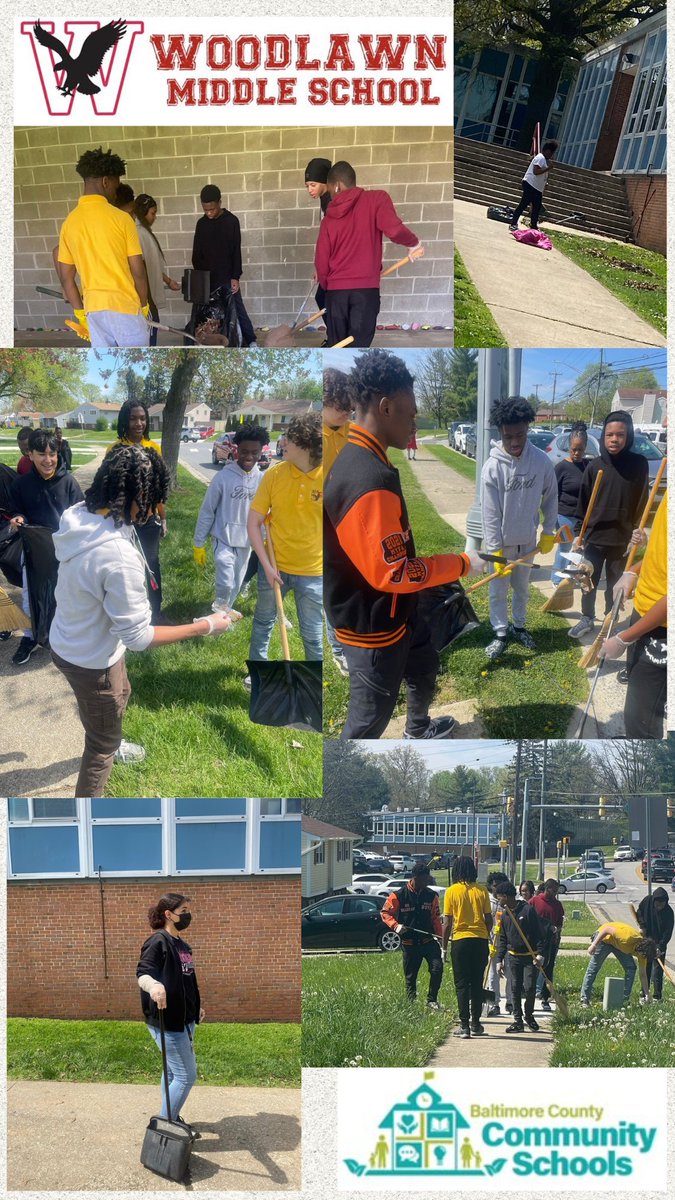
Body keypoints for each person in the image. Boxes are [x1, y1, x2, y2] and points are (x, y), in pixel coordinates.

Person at [49, 444, 234, 797]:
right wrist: (206, 625)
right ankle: (87, 813)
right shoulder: (115, 556)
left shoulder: (81, 515)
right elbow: (137, 637)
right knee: (100, 746)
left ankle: (111, 735)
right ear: (135, 495)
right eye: (151, 501)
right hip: (90, 660)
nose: (153, 511)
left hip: (70, 640)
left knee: (123, 691)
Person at [323, 349, 483, 740]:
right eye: (411, 413)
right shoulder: (368, 478)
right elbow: (394, 573)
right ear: (385, 407)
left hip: (402, 613)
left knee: (425, 667)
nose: (415, 421)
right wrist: (461, 564)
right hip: (373, 628)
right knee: (368, 722)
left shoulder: (370, 458)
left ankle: (417, 728)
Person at [315, 161, 424, 347]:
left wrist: (329, 288)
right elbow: (395, 230)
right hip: (365, 294)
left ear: (337, 185)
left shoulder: (328, 220)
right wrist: (414, 243)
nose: (331, 195)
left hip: (335, 296)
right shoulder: (377, 200)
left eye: (331, 190)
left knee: (337, 346)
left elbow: (321, 261)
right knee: (358, 348)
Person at [481, 396, 557, 660]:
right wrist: (495, 550)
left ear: (528, 429)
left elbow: (550, 498)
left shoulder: (541, 462)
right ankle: (500, 632)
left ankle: (520, 626)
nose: (514, 442)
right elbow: (490, 513)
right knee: (497, 590)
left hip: (527, 541)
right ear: (500, 433)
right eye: (508, 436)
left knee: (522, 589)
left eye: (520, 435)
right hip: (501, 545)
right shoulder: (492, 468)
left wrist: (548, 532)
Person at [246, 413, 323, 673]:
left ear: (306, 445)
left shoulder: (329, 478)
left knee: (312, 635)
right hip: (274, 567)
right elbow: (253, 523)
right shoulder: (275, 474)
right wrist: (266, 566)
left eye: (289, 438)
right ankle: (258, 674)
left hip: (314, 573)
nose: (283, 443)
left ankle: (314, 682)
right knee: (263, 622)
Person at [57, 146, 150, 347]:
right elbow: (138, 272)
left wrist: (81, 314)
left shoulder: (69, 223)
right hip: (125, 308)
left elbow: (66, 278)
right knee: (135, 360)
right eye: (115, 188)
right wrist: (143, 307)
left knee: (107, 365)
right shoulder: (122, 219)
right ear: (105, 181)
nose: (116, 194)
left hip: (94, 312)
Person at [569, 409, 649, 639]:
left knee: (615, 585)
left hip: (621, 540)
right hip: (594, 537)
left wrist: (638, 529)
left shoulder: (638, 464)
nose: (614, 439)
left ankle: (610, 620)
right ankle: (586, 618)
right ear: (603, 436)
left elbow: (642, 501)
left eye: (620, 435)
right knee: (587, 581)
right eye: (609, 435)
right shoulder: (595, 466)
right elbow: (583, 503)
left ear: (628, 436)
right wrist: (578, 533)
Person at [8, 428, 83, 666]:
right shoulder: (22, 485)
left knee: (66, 596)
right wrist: (18, 518)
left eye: (52, 453)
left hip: (65, 552)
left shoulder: (69, 482)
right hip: (34, 552)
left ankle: (65, 637)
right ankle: (30, 637)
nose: (48, 459)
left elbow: (82, 514)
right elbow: (17, 509)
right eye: (42, 453)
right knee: (32, 597)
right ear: (30, 454)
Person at [136, 892, 204, 1139]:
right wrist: (154, 986)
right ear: (168, 914)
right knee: (187, 1075)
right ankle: (165, 1128)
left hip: (186, 1020)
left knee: (174, 1073)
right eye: (183, 909)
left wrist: (196, 1006)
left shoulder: (183, 945)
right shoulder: (158, 942)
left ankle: (171, 1116)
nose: (187, 914)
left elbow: (188, 980)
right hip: (168, 1021)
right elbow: (143, 973)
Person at [601, 488, 667, 738]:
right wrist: (635, 572)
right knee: (635, 708)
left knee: (642, 715)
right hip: (647, 610)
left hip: (663, 628)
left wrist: (624, 637)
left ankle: (639, 744)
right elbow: (662, 554)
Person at [193, 422, 267, 612]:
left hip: (246, 541)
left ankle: (225, 611)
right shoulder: (223, 478)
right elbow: (207, 510)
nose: (249, 456)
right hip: (223, 538)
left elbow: (266, 514)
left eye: (254, 452)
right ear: (236, 449)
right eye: (244, 451)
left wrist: (265, 540)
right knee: (225, 579)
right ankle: (219, 606)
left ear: (261, 451)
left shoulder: (263, 481)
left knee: (236, 582)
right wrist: (198, 543)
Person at [109, 399, 167, 622]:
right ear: (125, 420)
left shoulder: (154, 449)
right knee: (125, 567)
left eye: (142, 418)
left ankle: (155, 612)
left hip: (149, 519)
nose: (138, 423)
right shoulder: (114, 450)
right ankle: (129, 613)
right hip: (123, 521)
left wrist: (163, 517)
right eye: (133, 418)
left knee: (151, 564)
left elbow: (159, 488)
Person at [192, 184, 256, 347]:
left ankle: (251, 340)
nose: (209, 213)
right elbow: (196, 253)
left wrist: (235, 276)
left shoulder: (231, 221)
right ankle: (202, 341)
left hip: (227, 276)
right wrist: (200, 279)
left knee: (237, 308)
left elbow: (236, 251)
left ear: (219, 203)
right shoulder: (201, 224)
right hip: (207, 278)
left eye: (212, 209)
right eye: (205, 210)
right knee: (204, 313)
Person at [322, 367, 354, 676]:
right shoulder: (312, 437)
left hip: (350, 523)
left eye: (350, 405)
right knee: (331, 590)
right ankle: (339, 649)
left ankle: (353, 637)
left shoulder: (352, 433)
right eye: (340, 405)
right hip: (322, 528)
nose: (347, 411)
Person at [381, 862, 444, 1009]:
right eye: (422, 880)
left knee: (437, 968)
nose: (424, 883)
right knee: (411, 976)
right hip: (409, 944)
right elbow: (385, 913)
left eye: (427, 880)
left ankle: (431, 1000)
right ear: (414, 878)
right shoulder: (398, 895)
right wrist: (395, 926)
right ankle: (411, 1002)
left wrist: (441, 938)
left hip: (428, 941)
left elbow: (435, 918)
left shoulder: (431, 896)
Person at [442, 856, 493, 1039]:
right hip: (479, 940)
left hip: (460, 941)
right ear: (473, 870)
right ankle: (476, 1023)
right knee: (477, 983)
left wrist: (444, 947)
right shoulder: (482, 891)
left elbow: (447, 923)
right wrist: (485, 935)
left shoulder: (451, 891)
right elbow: (489, 920)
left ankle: (464, 1026)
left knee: (461, 984)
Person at [495, 880, 547, 1033]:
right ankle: (517, 1020)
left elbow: (540, 934)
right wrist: (499, 960)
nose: (498, 901)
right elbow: (503, 939)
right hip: (513, 957)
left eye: (499, 898)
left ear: (506, 896)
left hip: (529, 957)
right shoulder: (505, 915)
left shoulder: (527, 910)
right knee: (514, 988)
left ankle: (529, 1016)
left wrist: (540, 955)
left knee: (530, 987)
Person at [133, 194, 181, 346]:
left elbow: (153, 267)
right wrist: (144, 302)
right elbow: (138, 269)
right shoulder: (138, 233)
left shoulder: (143, 232)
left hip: (148, 297)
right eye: (153, 213)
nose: (154, 217)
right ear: (143, 212)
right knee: (150, 334)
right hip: (145, 298)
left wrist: (168, 281)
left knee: (152, 331)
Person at [581, 921, 658, 1007]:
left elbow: (643, 974)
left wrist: (647, 994)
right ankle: (584, 999)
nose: (643, 957)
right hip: (604, 939)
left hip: (618, 945)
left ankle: (624, 1000)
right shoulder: (628, 938)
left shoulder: (643, 954)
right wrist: (594, 945)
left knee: (631, 968)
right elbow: (607, 929)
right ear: (640, 949)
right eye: (643, 955)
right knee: (593, 969)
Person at [552, 422, 589, 584]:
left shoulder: (588, 466)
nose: (576, 453)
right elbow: (553, 494)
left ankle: (569, 579)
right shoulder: (561, 467)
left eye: (580, 449)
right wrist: (553, 519)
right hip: (564, 515)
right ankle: (557, 579)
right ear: (569, 447)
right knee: (564, 549)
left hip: (582, 517)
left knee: (578, 550)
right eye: (573, 449)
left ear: (585, 447)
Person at [529, 878, 565, 1012]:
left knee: (548, 969)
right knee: (532, 970)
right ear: (547, 889)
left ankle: (545, 997)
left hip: (551, 942)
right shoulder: (534, 901)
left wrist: (557, 930)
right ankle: (530, 996)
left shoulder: (557, 905)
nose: (555, 893)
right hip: (535, 942)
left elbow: (560, 922)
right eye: (553, 890)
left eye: (557, 891)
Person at [509, 140, 559, 233]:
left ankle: (533, 226)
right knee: (523, 204)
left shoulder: (544, 160)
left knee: (536, 207)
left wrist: (545, 182)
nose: (552, 155)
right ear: (547, 151)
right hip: (530, 185)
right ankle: (513, 223)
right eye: (552, 152)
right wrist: (548, 168)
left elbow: (541, 174)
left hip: (537, 188)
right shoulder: (540, 158)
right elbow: (536, 172)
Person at [304, 156, 332, 314]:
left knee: (324, 299)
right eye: (307, 186)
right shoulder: (324, 201)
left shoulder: (333, 203)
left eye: (313, 185)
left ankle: (336, 337)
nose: (309, 190)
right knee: (322, 299)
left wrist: (324, 267)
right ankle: (334, 336)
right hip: (327, 265)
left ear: (326, 182)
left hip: (336, 267)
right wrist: (320, 267)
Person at [636, 888, 674, 1001]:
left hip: (659, 942)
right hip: (647, 940)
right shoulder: (647, 901)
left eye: (662, 905)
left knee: (658, 970)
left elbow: (667, 933)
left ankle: (657, 996)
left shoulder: (669, 913)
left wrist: (659, 947)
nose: (659, 907)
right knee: (646, 967)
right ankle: (644, 994)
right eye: (658, 904)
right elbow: (639, 912)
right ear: (654, 901)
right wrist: (642, 926)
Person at [485, 871, 510, 1017]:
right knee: (493, 974)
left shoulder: (508, 902)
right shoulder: (488, 902)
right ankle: (494, 1003)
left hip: (508, 943)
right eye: (494, 886)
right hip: (492, 942)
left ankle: (511, 1002)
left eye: (500, 885)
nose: (497, 888)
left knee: (510, 973)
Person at [322, 367, 353, 478]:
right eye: (341, 407)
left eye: (350, 408)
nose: (347, 413)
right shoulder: (310, 434)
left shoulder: (356, 432)